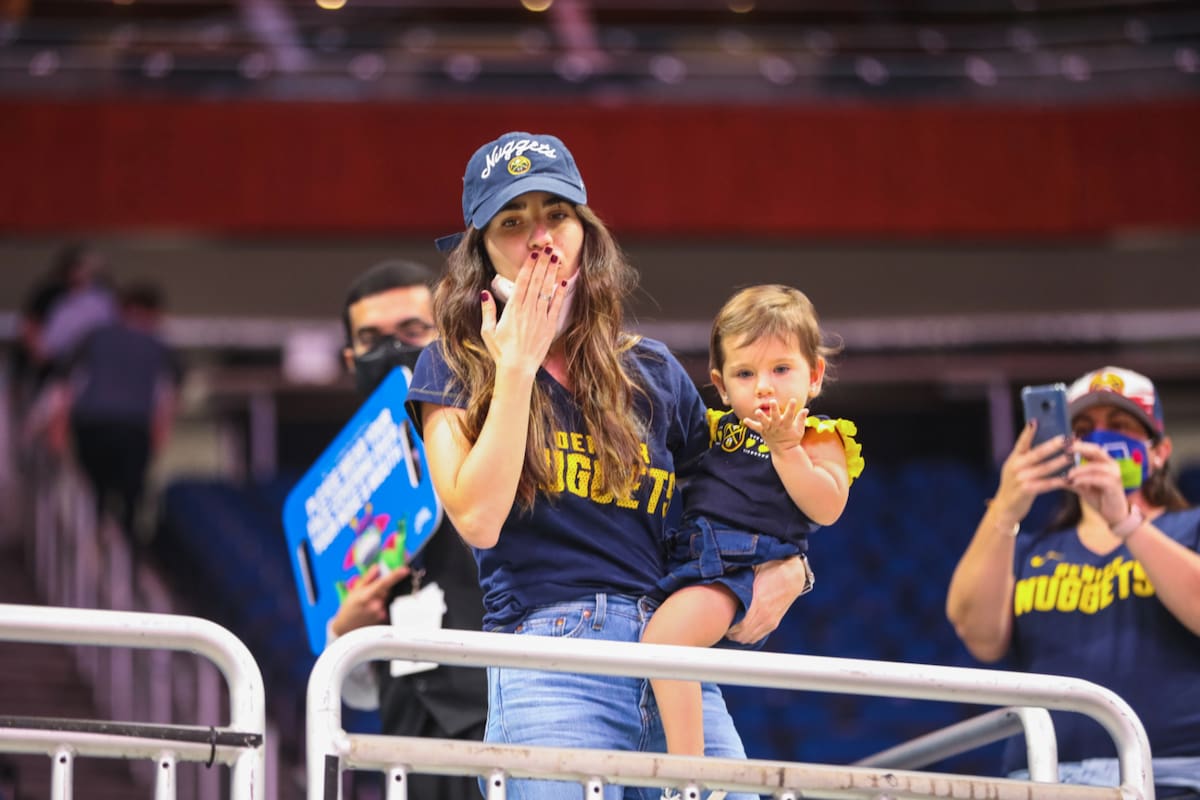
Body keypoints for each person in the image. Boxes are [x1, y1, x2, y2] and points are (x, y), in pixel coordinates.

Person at [406, 130, 814, 800]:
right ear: (478, 252)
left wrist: (795, 567)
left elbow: (741, 495)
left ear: (586, 233)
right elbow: (477, 518)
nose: (540, 237)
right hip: (548, 659)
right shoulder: (450, 364)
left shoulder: (652, 369)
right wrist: (516, 365)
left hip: (669, 656)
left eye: (556, 214)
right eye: (512, 221)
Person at [946, 366, 1200, 799]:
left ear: (1159, 452)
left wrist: (1125, 522)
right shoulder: (1028, 547)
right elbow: (978, 633)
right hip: (1042, 777)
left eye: (1119, 426)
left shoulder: (1189, 528)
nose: (1099, 440)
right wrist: (1005, 508)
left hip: (1170, 776)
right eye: (1082, 429)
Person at [641, 284, 864, 756]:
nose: (764, 386)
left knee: (664, 639)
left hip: (742, 572)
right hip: (694, 561)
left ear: (815, 375)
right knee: (663, 640)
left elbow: (827, 506)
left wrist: (786, 450)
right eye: (745, 373)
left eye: (781, 369)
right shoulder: (715, 431)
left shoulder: (817, 438)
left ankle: (688, 770)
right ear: (720, 387)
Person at [330, 259, 489, 800]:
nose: (392, 350)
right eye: (370, 339)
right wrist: (344, 633)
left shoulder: (501, 435)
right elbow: (359, 689)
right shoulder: (348, 485)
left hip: (499, 721)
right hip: (405, 740)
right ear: (350, 359)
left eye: (412, 333)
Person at [64, 281, 181, 541]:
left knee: (99, 492)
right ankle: (120, 545)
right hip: (128, 429)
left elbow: (66, 385)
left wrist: (59, 426)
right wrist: (161, 431)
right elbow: (170, 394)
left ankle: (102, 540)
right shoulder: (159, 347)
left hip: (92, 426)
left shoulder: (93, 337)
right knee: (128, 497)